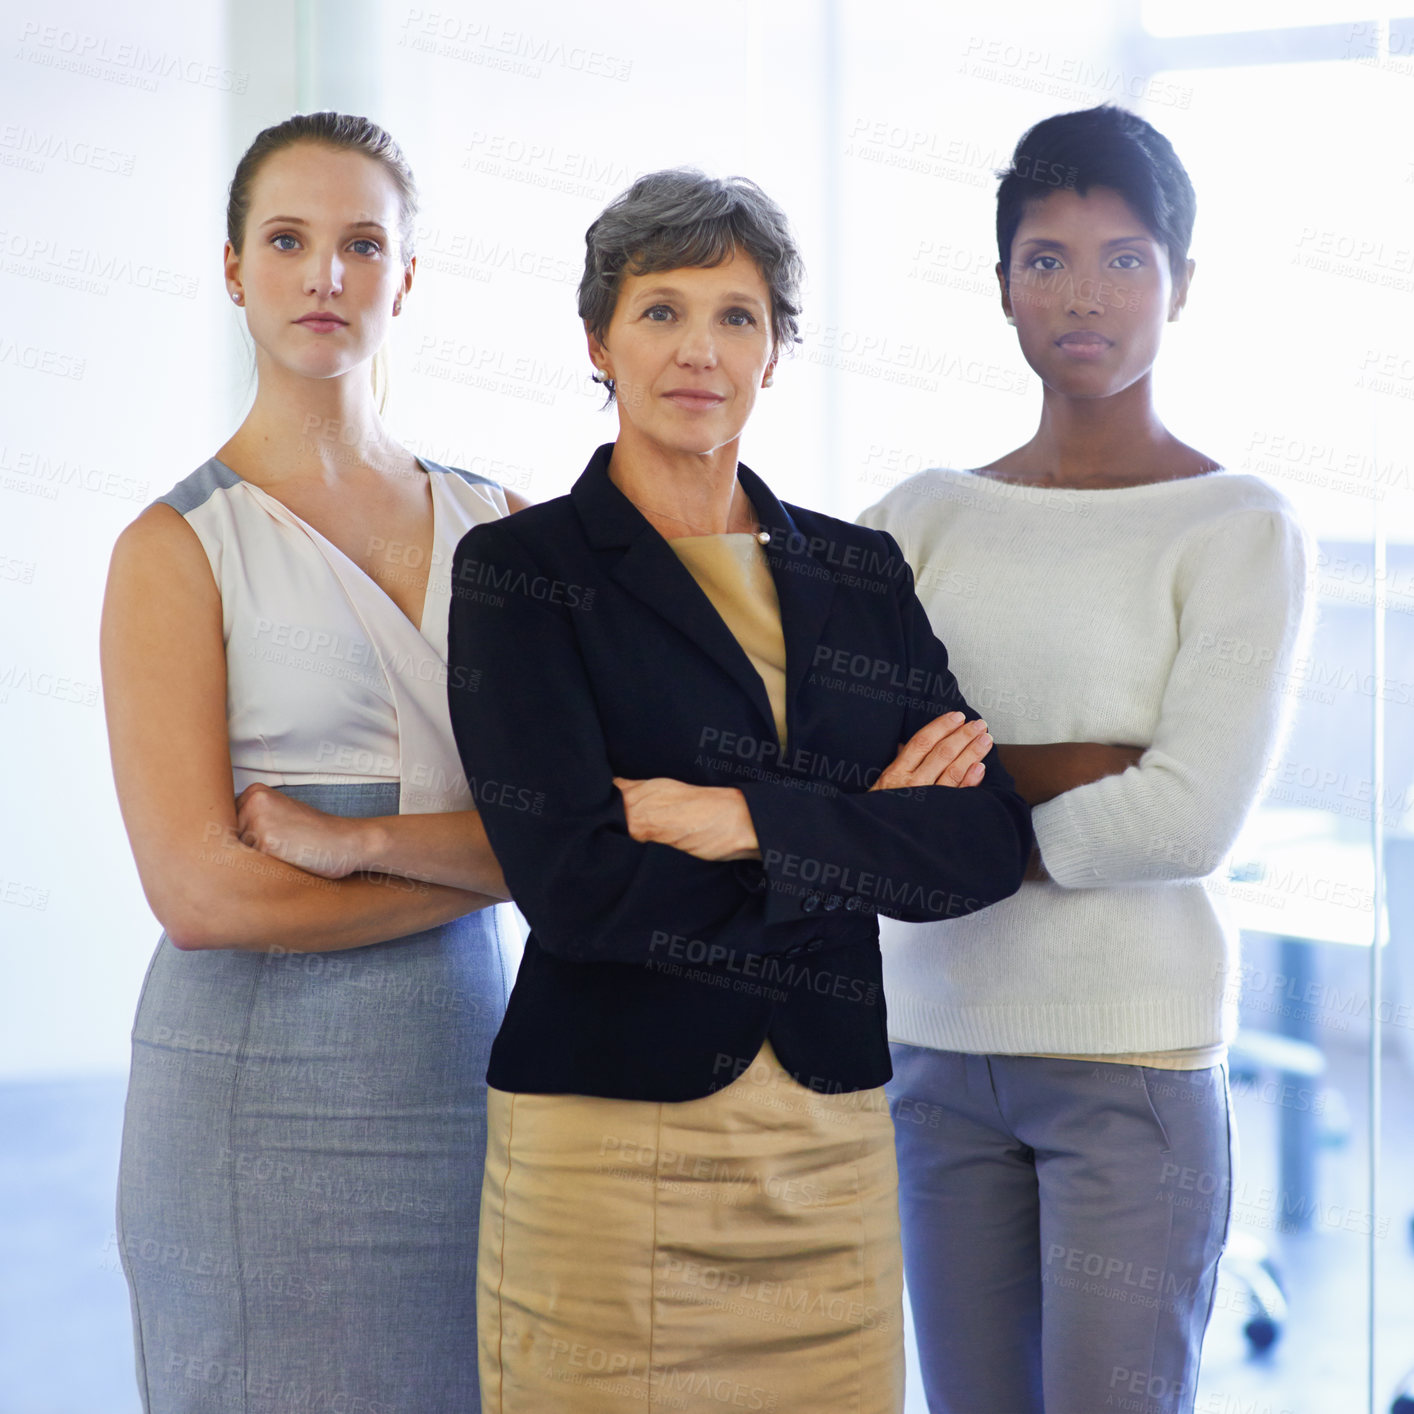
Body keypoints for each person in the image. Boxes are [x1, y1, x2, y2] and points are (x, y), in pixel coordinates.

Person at [444, 167, 1033, 1414]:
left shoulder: (859, 569)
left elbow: (979, 842)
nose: (697, 350)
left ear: (777, 352)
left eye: (737, 315)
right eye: (660, 311)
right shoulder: (519, 570)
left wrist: (739, 819)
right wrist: (860, 828)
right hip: (603, 1147)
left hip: (828, 1145)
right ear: (597, 339)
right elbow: (578, 887)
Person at [858, 104, 1312, 1414]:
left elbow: (1184, 821)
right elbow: (843, 775)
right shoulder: (916, 516)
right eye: (1044, 257)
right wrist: (1087, 758)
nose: (1083, 293)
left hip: (1131, 1066)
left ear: (1180, 282)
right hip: (936, 1056)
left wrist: (946, 812)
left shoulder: (1235, 527)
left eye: (1124, 257)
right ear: (1000, 283)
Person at [100, 112, 525, 1414]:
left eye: (360, 244)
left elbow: (563, 826)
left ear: (407, 276)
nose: (325, 275)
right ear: (234, 269)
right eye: (288, 240)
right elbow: (202, 895)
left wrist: (364, 842)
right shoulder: (175, 549)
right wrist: (499, 869)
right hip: (248, 1090)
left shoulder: (497, 524)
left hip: (460, 1071)